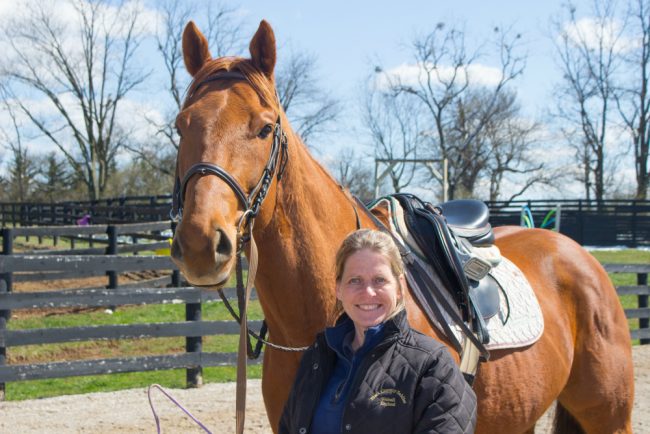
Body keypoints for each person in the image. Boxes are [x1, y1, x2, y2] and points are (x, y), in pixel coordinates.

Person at [279, 229, 477, 434]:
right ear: (338, 289)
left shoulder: (433, 365)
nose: (368, 292)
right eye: (355, 280)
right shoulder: (318, 357)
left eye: (379, 280)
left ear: (399, 287)